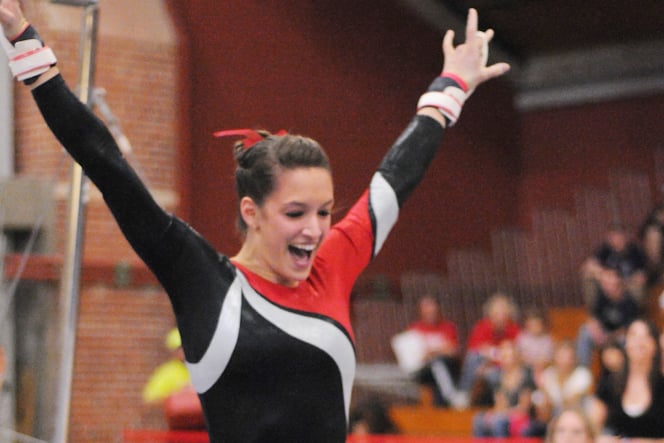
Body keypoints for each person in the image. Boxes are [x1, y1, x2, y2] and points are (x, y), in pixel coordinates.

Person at [0, 2, 510, 442]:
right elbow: (105, 162)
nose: (315, 229)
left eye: (325, 212)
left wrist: (452, 86)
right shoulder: (203, 280)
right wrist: (26, 42)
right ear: (252, 212)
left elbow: (397, 176)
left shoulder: (333, 263)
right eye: (296, 213)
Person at [590, 319, 664, 442]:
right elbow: (592, 427)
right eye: (633, 335)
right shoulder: (609, 382)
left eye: (646, 336)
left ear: (655, 345)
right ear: (626, 343)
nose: (639, 341)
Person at [397, 293, 464, 408]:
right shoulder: (415, 329)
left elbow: (452, 350)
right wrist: (439, 349)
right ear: (421, 312)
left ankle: (443, 406)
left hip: (446, 367)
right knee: (437, 364)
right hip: (423, 370)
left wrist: (432, 351)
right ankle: (451, 396)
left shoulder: (448, 327)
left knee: (439, 365)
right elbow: (414, 356)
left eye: (433, 310)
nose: (430, 313)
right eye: (427, 310)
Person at [458, 291, 521, 397]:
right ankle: (463, 394)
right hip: (482, 366)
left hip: (502, 368)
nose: (500, 317)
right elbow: (474, 353)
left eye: (503, 313)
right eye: (496, 313)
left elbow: (514, 357)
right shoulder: (481, 327)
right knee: (473, 357)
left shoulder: (514, 330)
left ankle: (506, 401)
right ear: (490, 314)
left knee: (493, 375)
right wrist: (486, 364)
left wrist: (490, 360)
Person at [471, 339, 537, 437]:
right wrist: (493, 414)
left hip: (521, 418)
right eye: (503, 356)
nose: (504, 359)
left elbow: (524, 409)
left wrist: (504, 414)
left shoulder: (526, 376)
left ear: (516, 356)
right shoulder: (498, 377)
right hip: (505, 415)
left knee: (499, 422)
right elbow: (500, 405)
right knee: (479, 419)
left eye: (508, 356)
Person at [576, 266, 641, 368]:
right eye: (604, 282)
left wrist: (610, 337)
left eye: (609, 281)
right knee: (585, 332)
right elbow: (593, 316)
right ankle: (582, 371)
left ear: (618, 281)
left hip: (619, 335)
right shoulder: (601, 297)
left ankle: (627, 370)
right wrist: (595, 329)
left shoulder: (630, 302)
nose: (606, 285)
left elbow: (629, 328)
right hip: (603, 333)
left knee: (626, 340)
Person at [142, 328, 204, 430]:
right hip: (176, 430)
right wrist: (179, 395)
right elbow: (150, 401)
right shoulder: (167, 373)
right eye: (181, 348)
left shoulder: (203, 369)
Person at [581, 222, 647, 304]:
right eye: (614, 237)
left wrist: (620, 283)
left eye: (620, 237)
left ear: (626, 237)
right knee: (588, 276)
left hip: (626, 285)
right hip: (607, 285)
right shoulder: (604, 250)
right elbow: (587, 266)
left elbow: (641, 276)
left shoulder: (635, 251)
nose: (617, 241)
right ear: (609, 238)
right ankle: (595, 312)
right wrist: (605, 276)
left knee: (638, 286)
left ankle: (635, 313)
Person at [537, 340, 593, 419]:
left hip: (578, 415)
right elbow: (544, 404)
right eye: (560, 356)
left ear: (574, 359)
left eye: (567, 357)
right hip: (552, 417)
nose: (563, 361)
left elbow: (571, 402)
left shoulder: (583, 374)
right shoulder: (548, 373)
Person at [516, 307, 554, 383]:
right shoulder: (522, 338)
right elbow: (519, 356)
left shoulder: (547, 339)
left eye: (537, 324)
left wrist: (540, 364)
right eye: (532, 325)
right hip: (527, 368)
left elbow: (549, 357)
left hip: (544, 369)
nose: (535, 327)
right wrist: (533, 363)